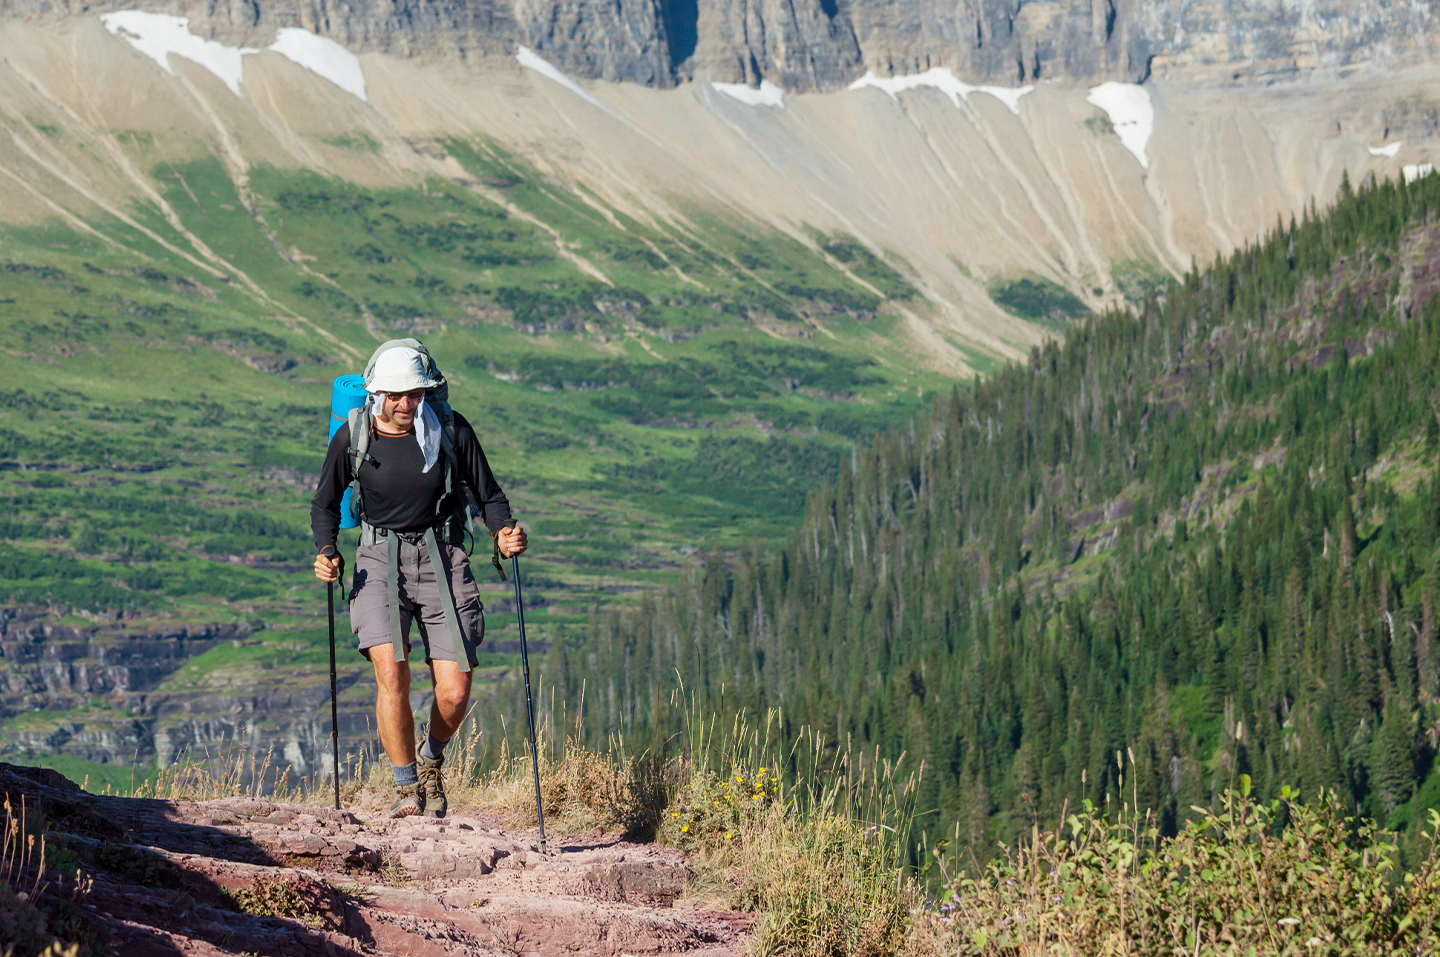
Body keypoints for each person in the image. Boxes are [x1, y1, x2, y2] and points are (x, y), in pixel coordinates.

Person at [311, 344, 526, 818]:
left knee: (455, 690)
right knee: (392, 674)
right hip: (378, 556)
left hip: (442, 556)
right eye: (396, 397)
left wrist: (504, 531)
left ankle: (430, 759)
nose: (407, 405)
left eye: (415, 395)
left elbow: (488, 493)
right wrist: (327, 551)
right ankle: (407, 787)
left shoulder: (449, 428)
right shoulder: (353, 436)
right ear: (377, 394)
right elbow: (325, 504)